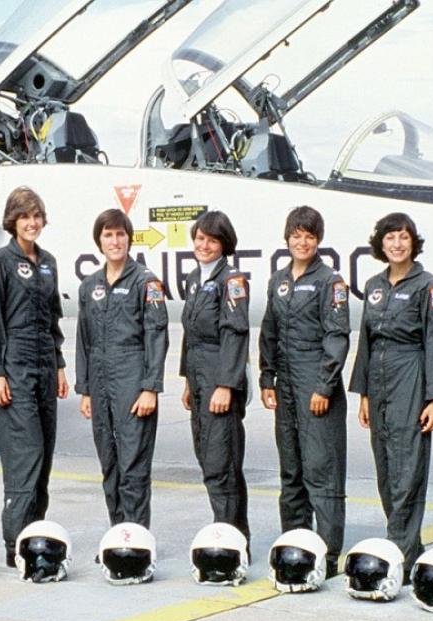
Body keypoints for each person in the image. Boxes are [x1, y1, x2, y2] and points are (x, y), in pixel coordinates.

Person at [349, 212, 433, 580]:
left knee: (408, 469)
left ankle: (400, 554)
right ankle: (408, 544)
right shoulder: (374, 285)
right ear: (381, 243)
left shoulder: (429, 287)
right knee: (386, 469)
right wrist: (363, 392)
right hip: (378, 379)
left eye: (403, 237)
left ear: (413, 242)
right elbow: (366, 340)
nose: (397, 244)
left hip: (412, 374)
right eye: (390, 237)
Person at [258, 205, 349, 575]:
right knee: (291, 469)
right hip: (286, 386)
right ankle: (296, 544)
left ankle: (327, 553)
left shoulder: (330, 282)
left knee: (321, 469)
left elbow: (337, 337)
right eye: (296, 235)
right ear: (287, 238)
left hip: (316, 383)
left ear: (318, 240)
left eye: (309, 236)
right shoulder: (278, 280)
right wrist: (267, 378)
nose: (302, 242)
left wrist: (324, 386)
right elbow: (269, 331)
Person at [0, 186, 69, 567]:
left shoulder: (48, 262)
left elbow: (53, 317)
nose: (32, 223)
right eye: (24, 217)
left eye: (36, 216)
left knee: (44, 452)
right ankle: (14, 541)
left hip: (45, 364)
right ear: (12, 221)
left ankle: (35, 534)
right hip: (15, 365)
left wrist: (59, 363)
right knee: (25, 453)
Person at [76, 208, 168, 529]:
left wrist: (150, 387)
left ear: (129, 239)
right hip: (100, 382)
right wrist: (85, 390)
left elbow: (157, 335)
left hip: (133, 379)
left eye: (120, 234)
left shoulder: (146, 281)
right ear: (99, 241)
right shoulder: (89, 286)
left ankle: (136, 539)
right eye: (108, 235)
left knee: (133, 468)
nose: (115, 241)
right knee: (110, 464)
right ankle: (118, 535)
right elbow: (84, 340)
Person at [179, 210, 251, 547]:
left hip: (219, 378)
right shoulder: (195, 278)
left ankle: (231, 536)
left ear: (224, 244)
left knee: (222, 462)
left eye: (212, 240)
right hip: (199, 378)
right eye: (200, 238)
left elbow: (235, 333)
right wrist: (187, 380)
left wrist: (226, 385)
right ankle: (229, 529)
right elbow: (190, 333)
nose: (204, 245)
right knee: (208, 458)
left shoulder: (231, 281)